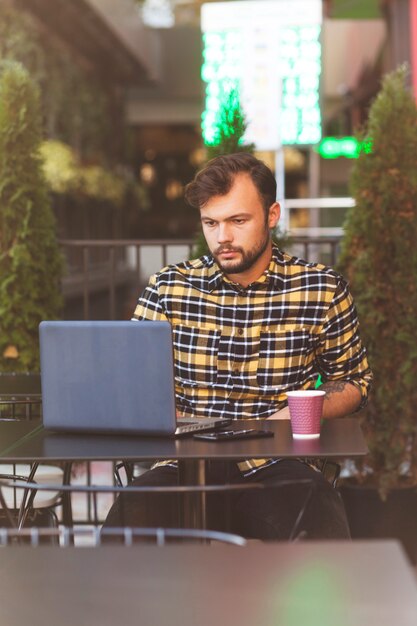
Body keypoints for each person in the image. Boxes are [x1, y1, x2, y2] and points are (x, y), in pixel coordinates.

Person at [103, 153, 373, 539]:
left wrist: (294, 414)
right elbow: (130, 381)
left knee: (320, 528)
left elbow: (354, 382)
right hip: (184, 462)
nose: (222, 237)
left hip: (276, 463)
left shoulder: (321, 288)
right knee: (124, 529)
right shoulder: (168, 287)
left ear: (272, 214)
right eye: (210, 223)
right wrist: (154, 408)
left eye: (238, 221)